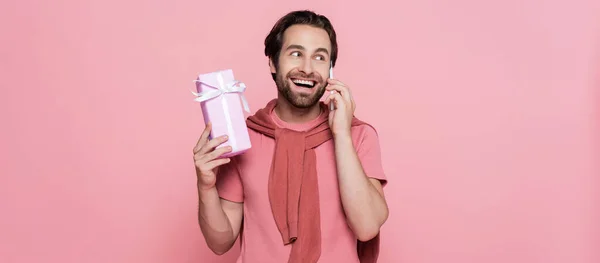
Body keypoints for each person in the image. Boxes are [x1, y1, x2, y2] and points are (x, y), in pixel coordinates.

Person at [193, 10, 389, 263]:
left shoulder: (359, 135)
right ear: (273, 62)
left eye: (320, 57)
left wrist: (341, 135)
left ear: (330, 69)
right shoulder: (245, 137)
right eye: (296, 54)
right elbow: (220, 242)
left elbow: (367, 226)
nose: (307, 68)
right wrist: (205, 186)